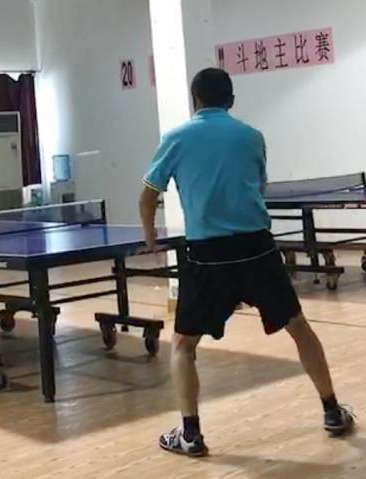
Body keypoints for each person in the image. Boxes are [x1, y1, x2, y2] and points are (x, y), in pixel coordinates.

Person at [139, 68, 354, 457]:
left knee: (184, 344)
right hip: (257, 249)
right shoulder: (252, 137)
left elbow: (148, 195)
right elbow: (258, 185)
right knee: (299, 328)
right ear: (231, 100)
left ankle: (190, 435)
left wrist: (150, 237)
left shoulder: (176, 138)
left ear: (194, 99)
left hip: (208, 255)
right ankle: (332, 411)